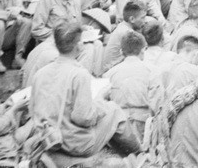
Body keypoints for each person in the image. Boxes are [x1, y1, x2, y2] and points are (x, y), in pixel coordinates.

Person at [31, 21, 142, 157]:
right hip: (72, 144)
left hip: (47, 138)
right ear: (78, 45)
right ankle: (139, 154)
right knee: (114, 111)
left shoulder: (40, 73)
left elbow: (35, 110)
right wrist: (100, 101)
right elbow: (83, 118)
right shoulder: (79, 74)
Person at [104, 30, 164, 139]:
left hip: (117, 127)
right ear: (142, 51)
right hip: (144, 125)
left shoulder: (109, 74)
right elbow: (157, 104)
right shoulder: (152, 71)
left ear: (121, 52)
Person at [103, 1, 148, 72]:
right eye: (142, 18)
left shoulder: (122, 26)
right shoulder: (128, 33)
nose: (144, 21)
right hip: (113, 69)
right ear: (132, 19)